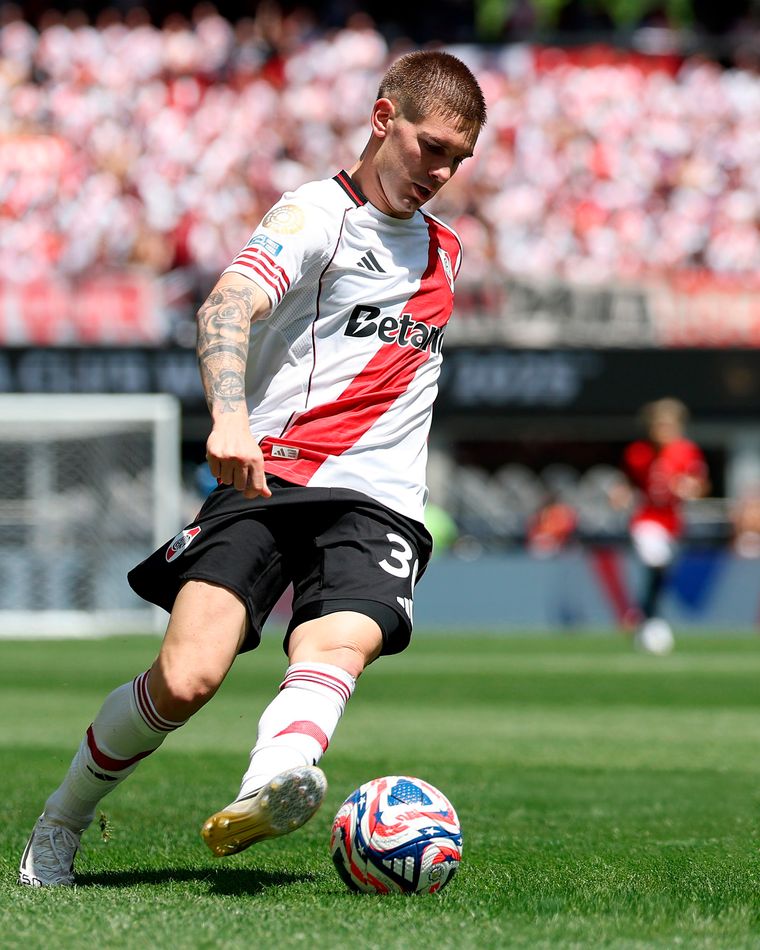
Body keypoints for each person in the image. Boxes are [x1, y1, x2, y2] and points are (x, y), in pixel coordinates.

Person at [19, 50, 487, 887]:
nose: (442, 172)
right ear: (383, 121)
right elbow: (229, 302)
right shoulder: (313, 214)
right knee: (186, 677)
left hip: (377, 497)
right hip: (268, 479)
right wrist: (230, 414)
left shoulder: (446, 252)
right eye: (431, 147)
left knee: (338, 644)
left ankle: (273, 782)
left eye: (459, 159)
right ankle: (61, 821)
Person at [615, 398, 709, 654]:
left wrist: (691, 488)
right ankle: (650, 619)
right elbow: (628, 484)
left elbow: (700, 484)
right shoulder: (638, 452)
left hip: (673, 522)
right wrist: (621, 495)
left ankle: (644, 616)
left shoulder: (686, 451)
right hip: (646, 519)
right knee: (655, 560)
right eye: (658, 425)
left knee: (661, 571)